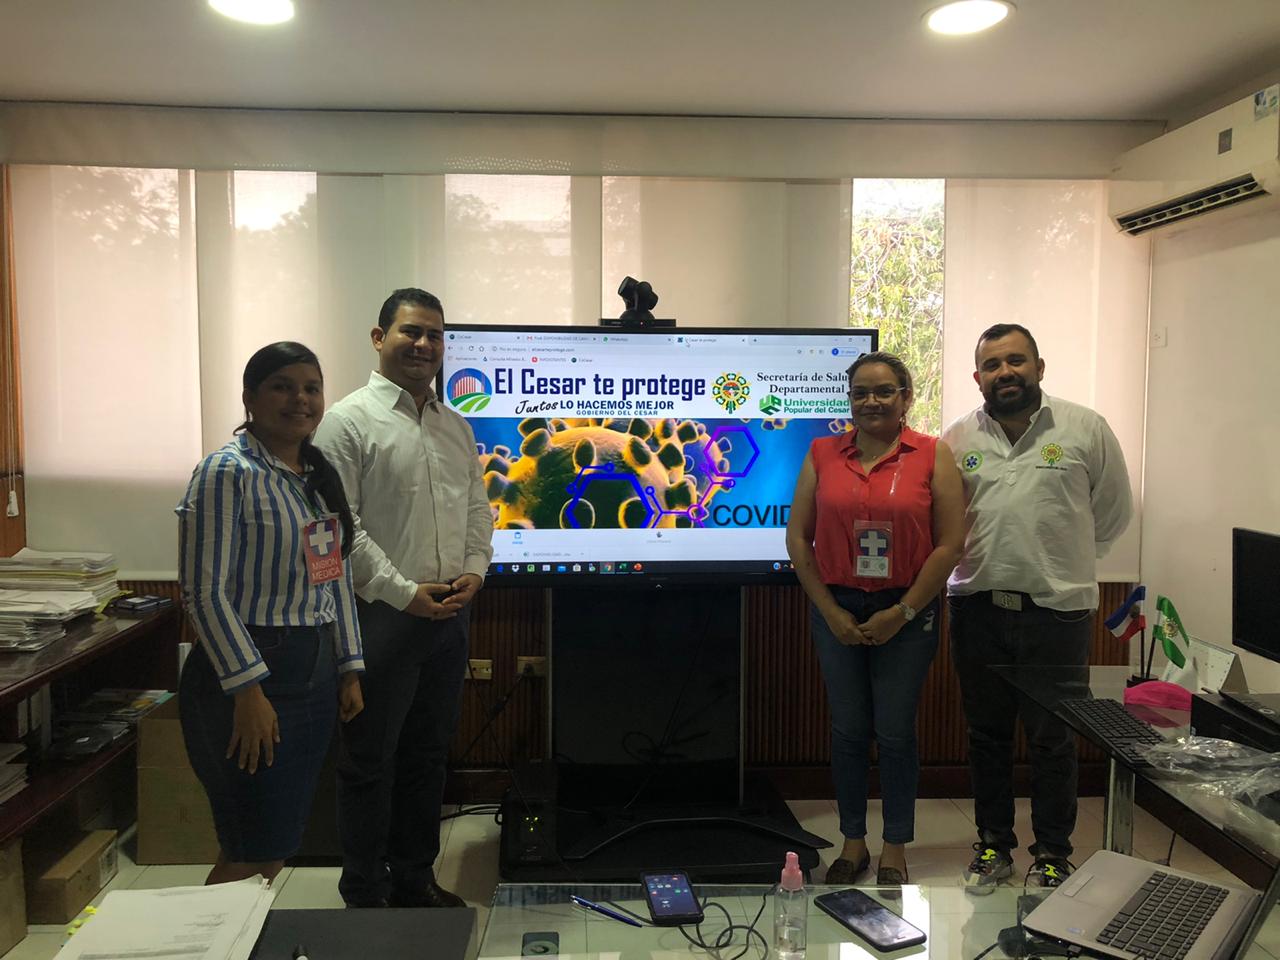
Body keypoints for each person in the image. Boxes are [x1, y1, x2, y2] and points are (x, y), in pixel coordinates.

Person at [314, 287, 494, 909]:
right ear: (379, 338)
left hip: (448, 614)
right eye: (410, 332)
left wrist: (475, 570)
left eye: (434, 335)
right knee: (369, 762)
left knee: (427, 756)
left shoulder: (455, 425)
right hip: (381, 617)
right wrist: (402, 593)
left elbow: (477, 509)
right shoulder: (347, 422)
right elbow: (341, 528)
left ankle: (415, 880)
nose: (423, 345)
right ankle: (365, 892)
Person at [946, 323, 1132, 892]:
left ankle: (1052, 853)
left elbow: (1112, 513)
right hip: (977, 608)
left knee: (1054, 739)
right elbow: (945, 522)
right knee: (987, 737)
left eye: (1016, 360)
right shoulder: (956, 438)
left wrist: (1063, 563)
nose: (1005, 372)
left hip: (1057, 613)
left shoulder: (1084, 428)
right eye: (992, 364)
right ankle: (993, 846)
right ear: (977, 376)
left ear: (1039, 367)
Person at [177, 341, 365, 886]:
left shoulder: (315, 476)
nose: (300, 399)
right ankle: (213, 933)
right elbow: (203, 593)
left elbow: (334, 579)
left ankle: (246, 932)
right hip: (247, 678)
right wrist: (247, 692)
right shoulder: (225, 472)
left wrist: (349, 667)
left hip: (313, 674)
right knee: (247, 846)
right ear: (250, 398)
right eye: (282, 387)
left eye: (311, 388)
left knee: (276, 846)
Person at [786, 350, 964, 886]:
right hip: (837, 606)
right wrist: (830, 611)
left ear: (906, 398)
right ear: (849, 400)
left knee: (894, 733)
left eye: (884, 391)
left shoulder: (933, 455)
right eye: (861, 392)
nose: (872, 401)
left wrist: (903, 612)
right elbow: (798, 538)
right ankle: (853, 843)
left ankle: (895, 847)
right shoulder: (822, 453)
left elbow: (951, 544)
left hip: (907, 609)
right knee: (847, 731)